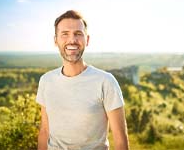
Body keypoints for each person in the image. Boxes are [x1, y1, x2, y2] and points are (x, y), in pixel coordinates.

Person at [36, 10, 129, 150]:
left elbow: (120, 139)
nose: (72, 40)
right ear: (56, 40)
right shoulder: (46, 81)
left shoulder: (106, 81)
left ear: (87, 40)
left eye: (78, 34)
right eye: (65, 34)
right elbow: (44, 131)